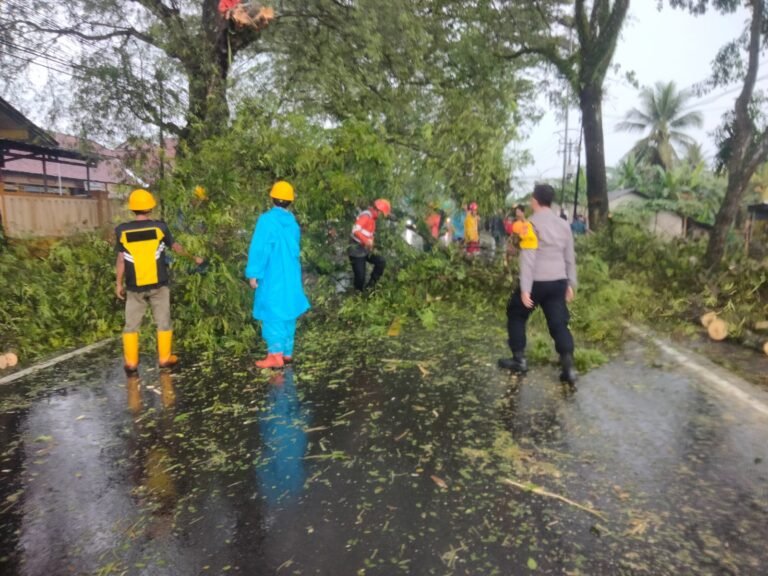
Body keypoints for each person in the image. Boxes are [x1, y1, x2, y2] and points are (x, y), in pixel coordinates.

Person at [115, 189, 204, 373]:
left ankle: (131, 362)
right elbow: (176, 247)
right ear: (150, 208)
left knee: (131, 324)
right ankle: (165, 358)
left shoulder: (122, 230)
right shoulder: (159, 227)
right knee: (163, 321)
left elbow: (121, 259)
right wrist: (193, 257)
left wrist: (118, 283)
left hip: (134, 286)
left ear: (132, 209)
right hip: (159, 284)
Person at [498, 184, 578, 386]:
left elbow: (528, 258)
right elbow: (569, 257)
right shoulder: (563, 225)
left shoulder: (529, 225)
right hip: (558, 281)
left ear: (535, 200)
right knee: (559, 322)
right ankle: (568, 365)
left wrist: (525, 289)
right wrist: (570, 283)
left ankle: (519, 359)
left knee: (516, 313)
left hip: (536, 282)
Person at [246, 180, 310, 369]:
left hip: (273, 274)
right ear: (290, 201)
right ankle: (287, 352)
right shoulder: (292, 223)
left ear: (272, 198)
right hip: (290, 274)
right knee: (288, 311)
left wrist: (253, 273)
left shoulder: (266, 221)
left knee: (272, 313)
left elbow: (260, 249)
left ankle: (275, 356)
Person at [349, 198, 391, 291]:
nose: (382, 217)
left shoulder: (373, 220)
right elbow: (355, 230)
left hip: (366, 249)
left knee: (381, 261)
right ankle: (358, 293)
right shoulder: (366, 216)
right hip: (356, 250)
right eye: (382, 214)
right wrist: (366, 241)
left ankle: (371, 286)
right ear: (378, 211)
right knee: (360, 277)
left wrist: (371, 242)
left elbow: (370, 234)